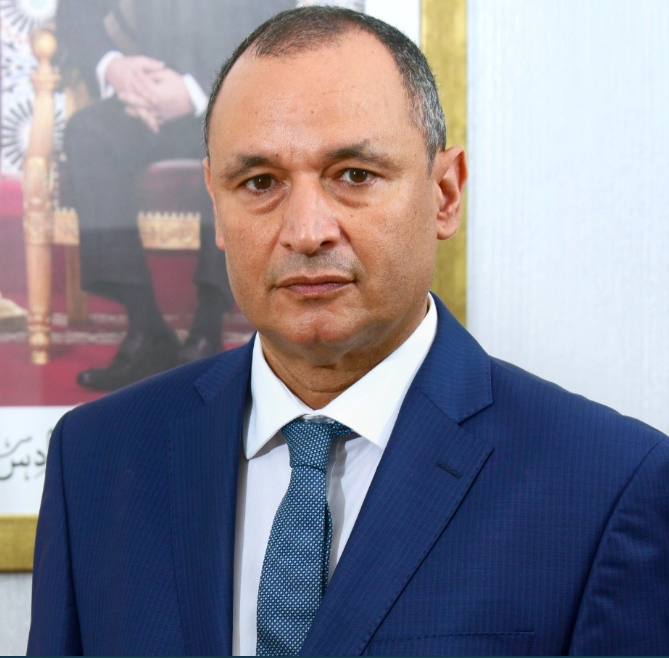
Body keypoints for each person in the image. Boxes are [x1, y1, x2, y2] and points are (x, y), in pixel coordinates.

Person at [28, 6, 669, 656]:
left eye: (354, 175)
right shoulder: (96, 459)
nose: (307, 232)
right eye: (260, 182)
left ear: (444, 193)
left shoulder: (610, 485)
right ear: (216, 206)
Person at [56, 0, 292, 391]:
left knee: (229, 148)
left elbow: (274, 23)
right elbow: (76, 9)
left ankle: (206, 329)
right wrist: (116, 68)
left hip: (233, 100)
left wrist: (197, 91)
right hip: (145, 99)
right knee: (88, 132)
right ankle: (145, 327)